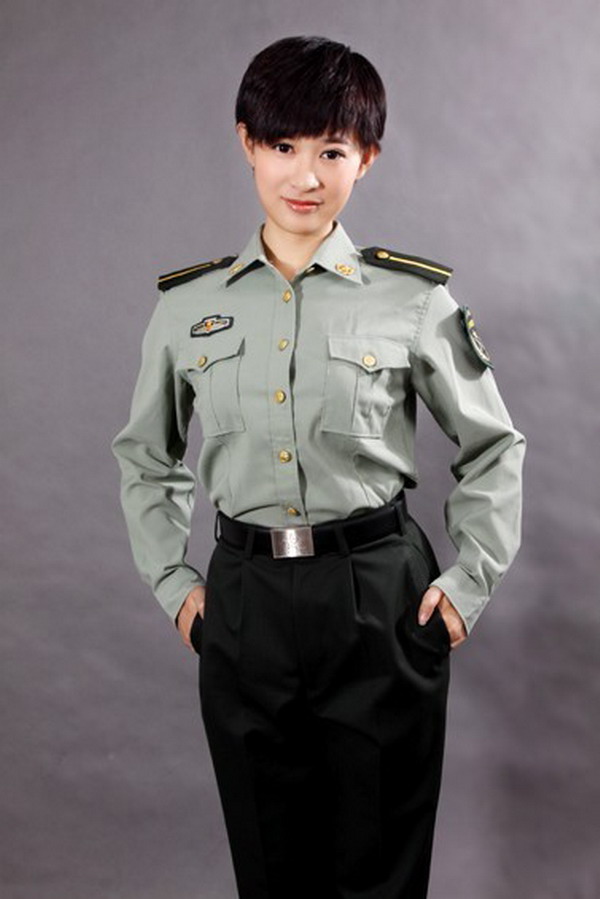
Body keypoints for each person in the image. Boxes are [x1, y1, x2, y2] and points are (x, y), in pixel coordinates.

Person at [111, 35, 525, 899]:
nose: (306, 175)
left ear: (367, 157)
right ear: (247, 144)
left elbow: (493, 446)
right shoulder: (189, 308)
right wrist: (174, 583)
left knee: (381, 871)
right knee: (272, 871)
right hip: (245, 604)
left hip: (378, 599)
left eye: (332, 151)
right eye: (283, 145)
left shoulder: (414, 299)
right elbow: (146, 455)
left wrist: (469, 585)